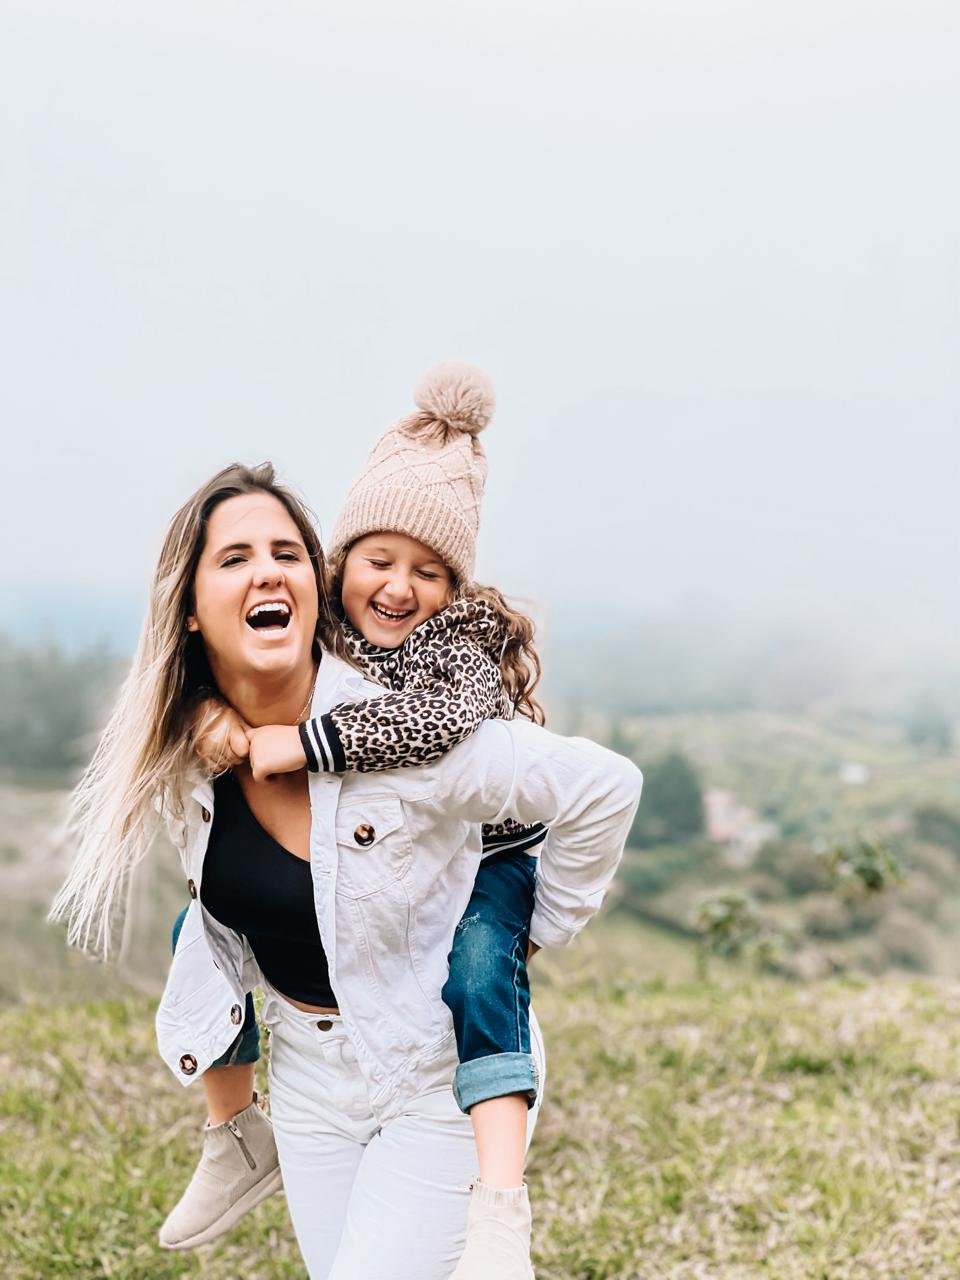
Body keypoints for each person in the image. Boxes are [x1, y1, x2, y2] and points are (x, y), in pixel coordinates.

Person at [51, 453, 641, 1278]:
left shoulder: (400, 734)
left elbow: (605, 787)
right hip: (305, 1081)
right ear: (189, 609)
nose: (268, 572)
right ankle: (235, 1143)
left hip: (429, 1072)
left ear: (315, 586)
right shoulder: (192, 747)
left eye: (287, 553)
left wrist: (539, 929)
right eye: (236, 557)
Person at [165, 364, 558, 1277]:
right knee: (199, 930)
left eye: (428, 572)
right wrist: (214, 720)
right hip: (307, 1067)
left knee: (479, 966)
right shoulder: (302, 658)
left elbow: (441, 730)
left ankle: (503, 1203)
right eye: (378, 562)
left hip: (428, 1041)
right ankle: (233, 1133)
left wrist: (303, 746)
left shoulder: (447, 656)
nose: (398, 587)